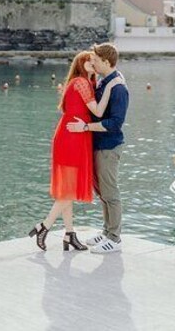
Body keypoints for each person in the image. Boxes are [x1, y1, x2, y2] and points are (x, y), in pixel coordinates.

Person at [29, 51, 124, 252]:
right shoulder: (81, 82)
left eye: (94, 60)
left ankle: (69, 234)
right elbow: (98, 112)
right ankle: (44, 226)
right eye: (88, 60)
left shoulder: (85, 82)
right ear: (80, 63)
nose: (92, 62)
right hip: (73, 136)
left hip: (74, 135)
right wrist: (112, 86)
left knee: (67, 189)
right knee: (69, 190)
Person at [67, 43, 130, 254]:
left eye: (95, 59)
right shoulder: (105, 81)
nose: (92, 61)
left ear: (106, 62)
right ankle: (106, 232)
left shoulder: (118, 87)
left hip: (109, 146)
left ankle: (115, 238)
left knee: (110, 192)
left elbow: (115, 123)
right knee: (102, 192)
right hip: (97, 144)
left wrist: (85, 127)